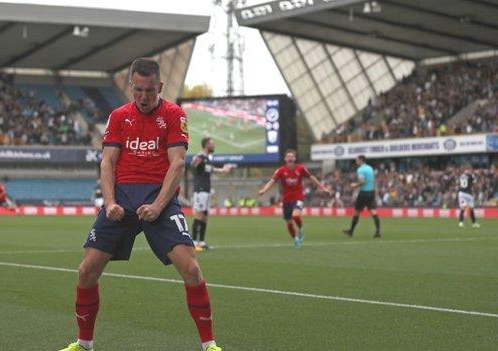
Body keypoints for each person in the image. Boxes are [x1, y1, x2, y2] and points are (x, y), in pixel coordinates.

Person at [59, 58, 221, 351]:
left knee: (191, 269)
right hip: (121, 199)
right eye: (138, 90)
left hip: (159, 199)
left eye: (149, 90)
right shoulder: (119, 116)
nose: (143, 97)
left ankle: (209, 345)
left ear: (159, 86)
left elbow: (178, 164)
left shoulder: (174, 114)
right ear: (130, 87)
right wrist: (109, 203)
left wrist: (159, 206)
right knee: (86, 271)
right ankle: (84, 344)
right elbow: (108, 162)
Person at [258, 149, 331, 248]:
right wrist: (264, 190)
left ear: (295, 158)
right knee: (289, 223)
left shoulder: (301, 168)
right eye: (288, 156)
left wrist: (323, 188)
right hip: (287, 199)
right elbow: (272, 181)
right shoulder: (281, 170)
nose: (290, 158)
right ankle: (295, 239)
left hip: (298, 197)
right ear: (285, 159)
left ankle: (301, 229)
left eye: (292, 156)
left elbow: (312, 178)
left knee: (296, 215)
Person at [190, 137, 233, 251]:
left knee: (205, 216)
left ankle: (202, 242)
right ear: (206, 145)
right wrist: (195, 161)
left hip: (206, 190)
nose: (213, 146)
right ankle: (194, 242)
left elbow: (211, 169)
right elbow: (193, 164)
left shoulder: (207, 159)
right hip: (200, 190)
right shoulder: (200, 157)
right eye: (212, 144)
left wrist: (223, 170)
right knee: (198, 215)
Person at [343, 155, 381, 237]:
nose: (356, 162)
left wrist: (354, 185)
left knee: (357, 212)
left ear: (361, 160)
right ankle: (378, 231)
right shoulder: (370, 168)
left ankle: (351, 231)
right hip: (371, 192)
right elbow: (371, 180)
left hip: (364, 192)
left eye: (357, 160)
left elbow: (362, 182)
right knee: (373, 211)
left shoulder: (360, 169)